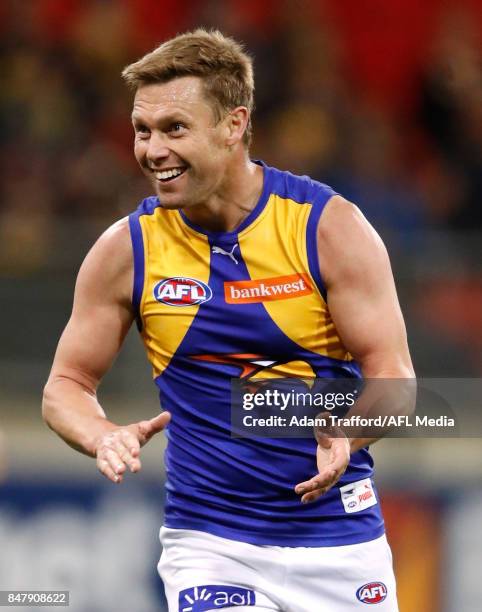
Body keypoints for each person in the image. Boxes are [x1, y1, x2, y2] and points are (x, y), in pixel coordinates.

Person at [42, 29, 414, 612]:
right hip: (211, 544)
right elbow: (65, 387)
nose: (152, 151)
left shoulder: (329, 229)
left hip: (342, 545)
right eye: (143, 131)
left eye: (174, 129)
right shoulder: (126, 251)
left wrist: (348, 432)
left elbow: (396, 379)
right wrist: (101, 434)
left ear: (234, 124)